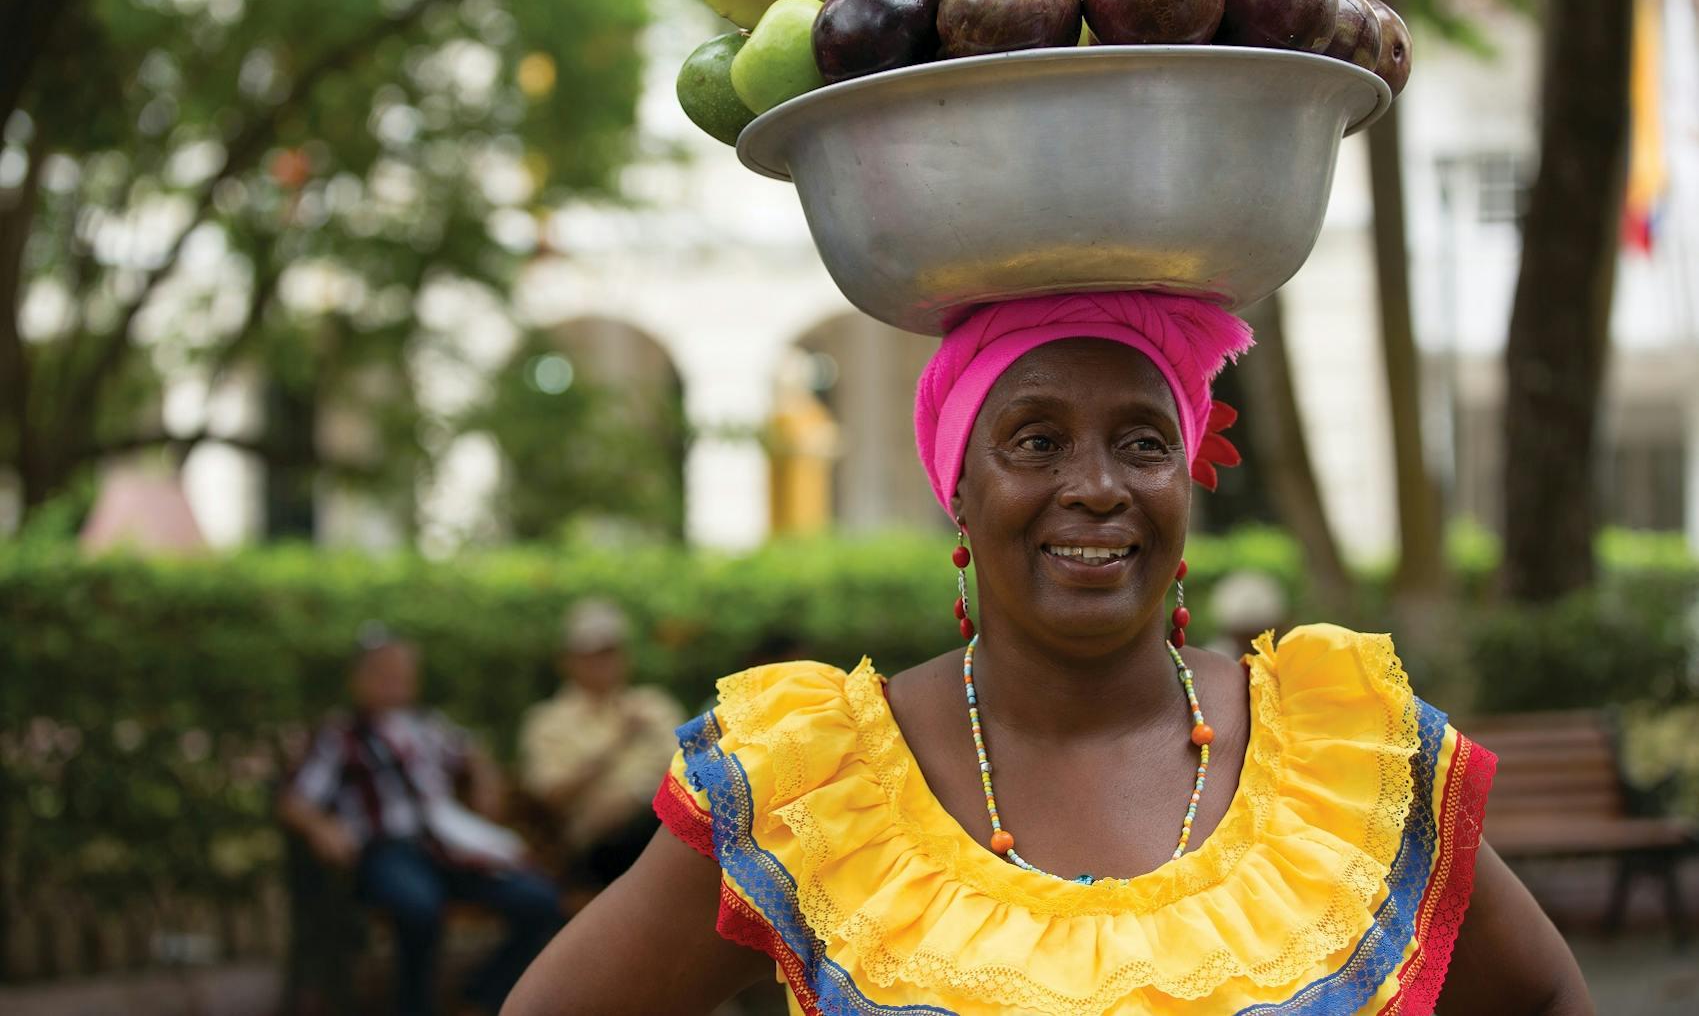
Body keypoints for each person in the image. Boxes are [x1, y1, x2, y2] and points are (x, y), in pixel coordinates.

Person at [503, 293, 1592, 1014]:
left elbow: (1541, 997)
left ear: (1183, 484)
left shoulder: (1341, 751)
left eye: (1141, 440)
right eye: (1034, 439)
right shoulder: (816, 781)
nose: (1096, 484)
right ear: (959, 489)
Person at [279, 630, 564, 1016]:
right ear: (358, 678)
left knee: (540, 900)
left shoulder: (429, 726)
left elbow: (473, 755)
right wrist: (322, 828)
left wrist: (484, 780)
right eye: (384, 671)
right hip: (386, 850)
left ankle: (479, 997)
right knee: (418, 907)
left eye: (404, 670)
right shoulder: (341, 734)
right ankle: (415, 1007)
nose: (396, 679)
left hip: (449, 848)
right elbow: (297, 800)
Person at [516, 598, 686, 895]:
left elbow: (696, 767)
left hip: (667, 828)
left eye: (610, 652)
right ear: (568, 660)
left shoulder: (654, 705)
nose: (603, 663)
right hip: (597, 846)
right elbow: (552, 798)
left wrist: (638, 797)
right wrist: (617, 744)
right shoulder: (548, 721)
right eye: (591, 654)